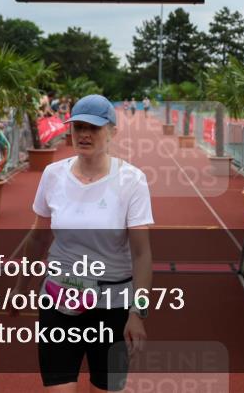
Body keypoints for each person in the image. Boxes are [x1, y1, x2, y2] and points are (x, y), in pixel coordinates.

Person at [13, 94, 153, 392]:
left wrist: (138, 313)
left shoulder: (132, 181)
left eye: (94, 127)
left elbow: (141, 255)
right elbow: (38, 236)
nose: (85, 134)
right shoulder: (53, 175)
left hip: (112, 307)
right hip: (58, 300)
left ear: (112, 131)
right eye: (78, 127)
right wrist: (20, 287)